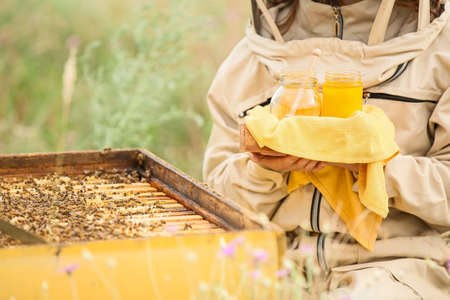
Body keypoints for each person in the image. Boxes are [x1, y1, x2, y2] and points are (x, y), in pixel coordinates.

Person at [203, 0, 450, 299]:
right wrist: (263, 169)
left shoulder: (442, 53)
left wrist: (372, 166)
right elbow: (215, 203)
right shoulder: (246, 62)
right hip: (272, 269)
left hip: (394, 270)